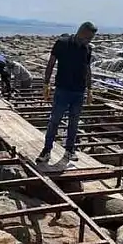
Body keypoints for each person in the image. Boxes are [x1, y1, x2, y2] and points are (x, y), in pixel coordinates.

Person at [36, 21, 97, 166]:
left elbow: (87, 69)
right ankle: (46, 150)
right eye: (88, 38)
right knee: (54, 121)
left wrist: (89, 89)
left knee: (74, 123)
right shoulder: (62, 43)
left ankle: (69, 149)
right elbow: (51, 63)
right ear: (81, 32)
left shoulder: (87, 49)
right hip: (62, 90)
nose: (89, 41)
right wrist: (46, 83)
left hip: (79, 92)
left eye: (91, 39)